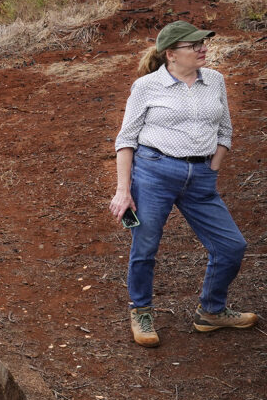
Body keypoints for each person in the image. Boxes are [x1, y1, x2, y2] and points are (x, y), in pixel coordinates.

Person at [110, 20, 258, 347]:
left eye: (203, 43)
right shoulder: (147, 86)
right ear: (171, 54)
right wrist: (124, 190)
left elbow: (225, 131)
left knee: (232, 246)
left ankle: (212, 311)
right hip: (154, 173)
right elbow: (126, 139)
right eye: (194, 45)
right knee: (146, 245)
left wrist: (211, 169)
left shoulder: (215, 80)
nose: (202, 48)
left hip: (200, 176)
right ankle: (141, 310)